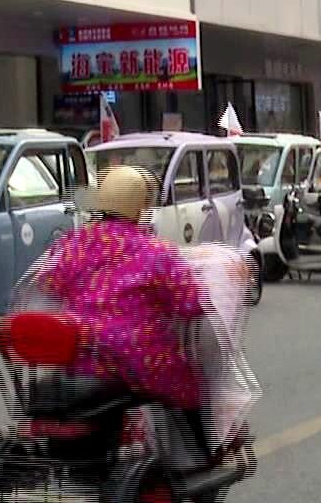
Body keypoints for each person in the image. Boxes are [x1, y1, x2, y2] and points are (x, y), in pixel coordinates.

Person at [29, 164, 209, 412]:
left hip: (80, 358)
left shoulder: (71, 245)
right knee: (191, 391)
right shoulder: (156, 252)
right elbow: (190, 304)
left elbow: (49, 285)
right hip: (141, 363)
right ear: (141, 207)